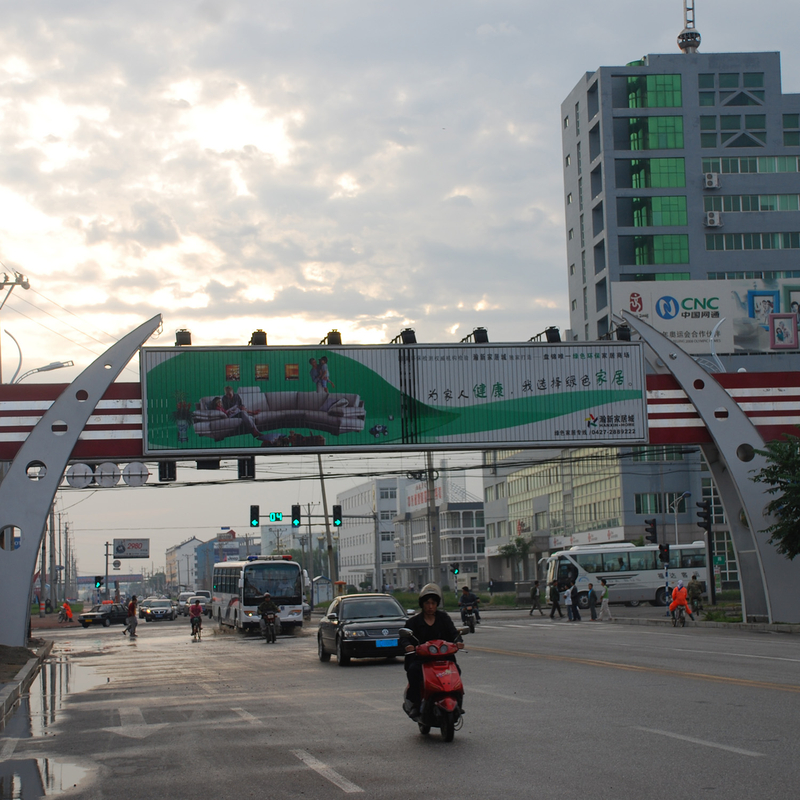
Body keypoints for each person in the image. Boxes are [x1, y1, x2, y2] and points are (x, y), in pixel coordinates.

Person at [401, 583, 463, 719]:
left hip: (444, 659)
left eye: (433, 603)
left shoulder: (444, 619)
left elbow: (454, 633)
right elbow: (404, 638)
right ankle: (416, 704)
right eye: (427, 603)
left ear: (437, 604)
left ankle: (457, 700)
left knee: (456, 670)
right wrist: (408, 646)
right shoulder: (414, 622)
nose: (430, 606)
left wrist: (458, 641)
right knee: (414, 671)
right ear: (422, 604)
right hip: (422, 660)